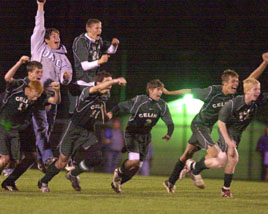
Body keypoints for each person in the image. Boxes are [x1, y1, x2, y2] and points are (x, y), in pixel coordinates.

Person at [162, 53, 268, 193]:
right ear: (224, 83)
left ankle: (170, 182)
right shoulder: (212, 91)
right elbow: (189, 90)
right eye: (233, 82)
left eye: (237, 82)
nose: (236, 84)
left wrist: (265, 62)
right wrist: (169, 93)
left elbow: (251, 79)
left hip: (208, 128)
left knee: (187, 154)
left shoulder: (233, 96)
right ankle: (195, 171)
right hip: (199, 125)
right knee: (213, 152)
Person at [37, 71, 126, 193]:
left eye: (110, 82)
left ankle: (73, 173)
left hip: (88, 131)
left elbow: (102, 108)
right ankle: (43, 181)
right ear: (98, 83)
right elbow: (98, 88)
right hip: (73, 129)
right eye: (107, 82)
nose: (109, 85)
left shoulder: (105, 95)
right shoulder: (87, 91)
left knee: (97, 158)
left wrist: (107, 115)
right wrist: (116, 80)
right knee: (61, 163)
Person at [0, 60, 61, 191]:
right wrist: (20, 62)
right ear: (29, 73)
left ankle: (7, 181)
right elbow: (7, 79)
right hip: (4, 126)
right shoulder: (19, 84)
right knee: (5, 160)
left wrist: (57, 91)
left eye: (41, 72)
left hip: (21, 127)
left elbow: (53, 102)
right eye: (37, 72)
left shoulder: (39, 90)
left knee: (19, 160)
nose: (40, 75)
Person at [108, 79, 174, 193]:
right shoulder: (139, 100)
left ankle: (118, 182)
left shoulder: (162, 105)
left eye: (161, 90)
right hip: (132, 133)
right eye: (158, 90)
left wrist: (169, 134)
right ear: (150, 90)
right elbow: (121, 105)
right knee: (134, 161)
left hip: (145, 136)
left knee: (137, 167)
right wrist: (111, 112)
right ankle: (118, 172)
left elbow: (170, 123)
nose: (160, 92)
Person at [31, 0, 72, 168]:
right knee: (40, 127)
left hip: (53, 95)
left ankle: (41, 160)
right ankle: (47, 158)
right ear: (46, 40)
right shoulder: (39, 48)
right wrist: (41, 6)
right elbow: (39, 27)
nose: (57, 38)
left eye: (58, 36)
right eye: (53, 36)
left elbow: (66, 72)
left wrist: (65, 77)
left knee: (47, 129)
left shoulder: (62, 55)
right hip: (37, 92)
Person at [68, 18, 119, 114]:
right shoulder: (81, 42)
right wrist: (99, 61)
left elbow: (110, 50)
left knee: (91, 113)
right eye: (97, 28)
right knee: (75, 114)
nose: (99, 30)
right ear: (88, 28)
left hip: (92, 82)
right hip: (80, 83)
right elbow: (84, 66)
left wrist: (114, 45)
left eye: (100, 28)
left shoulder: (98, 40)